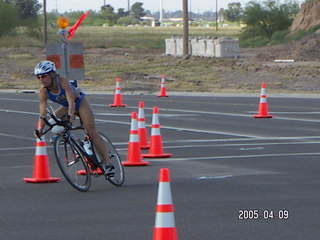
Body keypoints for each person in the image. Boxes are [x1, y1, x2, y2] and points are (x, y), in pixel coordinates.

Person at [34, 60, 114, 176]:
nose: (41, 79)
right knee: (52, 123)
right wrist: (40, 129)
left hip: (79, 103)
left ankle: (108, 163)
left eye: (44, 76)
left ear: (52, 74)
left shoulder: (63, 81)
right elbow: (42, 113)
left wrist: (71, 115)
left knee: (91, 131)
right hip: (65, 107)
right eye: (39, 77)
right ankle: (74, 140)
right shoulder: (43, 91)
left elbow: (71, 100)